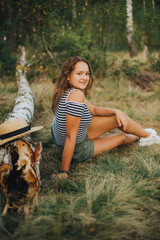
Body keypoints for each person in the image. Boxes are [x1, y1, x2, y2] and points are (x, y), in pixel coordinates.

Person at [51, 56, 160, 179]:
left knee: (117, 118)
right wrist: (63, 172)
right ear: (68, 76)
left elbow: (94, 110)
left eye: (87, 73)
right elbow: (70, 137)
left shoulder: (68, 91)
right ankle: (144, 136)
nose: (85, 77)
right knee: (121, 137)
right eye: (79, 73)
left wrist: (116, 111)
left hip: (69, 141)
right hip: (76, 149)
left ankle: (146, 135)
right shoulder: (76, 96)